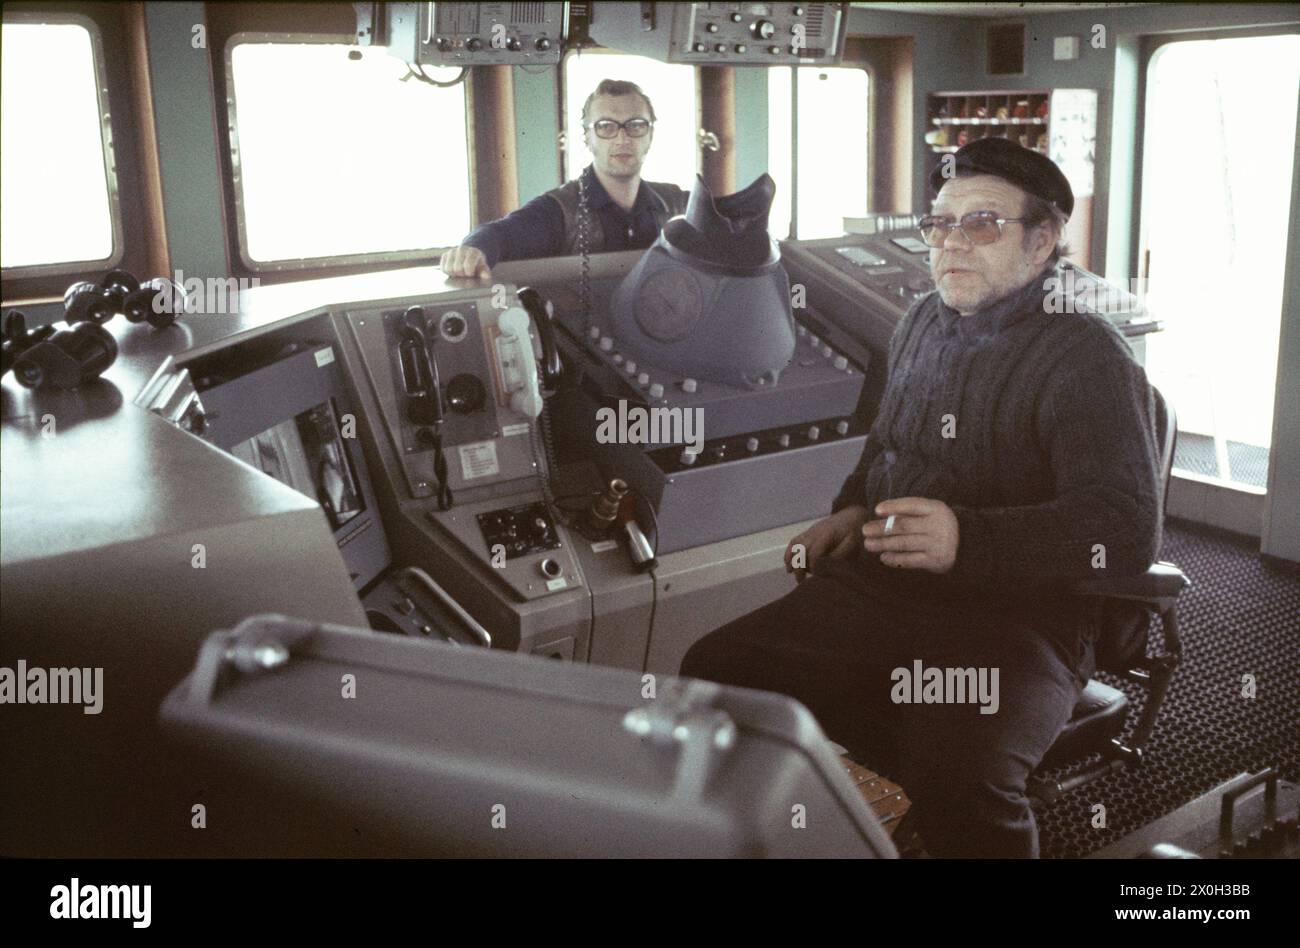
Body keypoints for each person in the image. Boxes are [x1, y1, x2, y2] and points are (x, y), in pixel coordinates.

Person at [679, 138, 1162, 858]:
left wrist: (970, 540)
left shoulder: (1085, 356)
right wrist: (850, 510)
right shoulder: (920, 325)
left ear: (1041, 243)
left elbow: (1123, 530)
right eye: (941, 223)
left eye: (984, 224)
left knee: (959, 772)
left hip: (1019, 619)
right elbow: (886, 447)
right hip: (882, 588)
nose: (952, 244)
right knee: (715, 674)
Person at [439, 79, 689, 279]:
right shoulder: (559, 211)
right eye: (605, 127)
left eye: (635, 125)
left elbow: (724, 216)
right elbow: (500, 234)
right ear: (587, 138)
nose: (622, 139)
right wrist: (472, 250)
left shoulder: (675, 203)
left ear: (650, 134)